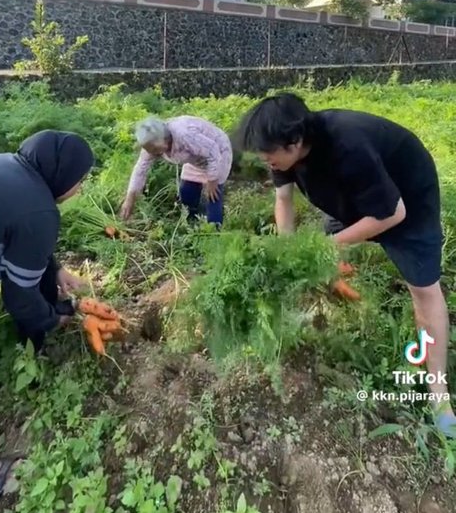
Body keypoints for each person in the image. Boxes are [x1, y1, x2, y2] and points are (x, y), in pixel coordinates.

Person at [233, 92, 456, 438]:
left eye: (268, 154)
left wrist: (326, 245)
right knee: (325, 257)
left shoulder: (348, 144)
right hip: (352, 198)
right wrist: (292, 253)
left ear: (295, 142)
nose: (264, 160)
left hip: (406, 199)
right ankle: (343, 299)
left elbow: (392, 213)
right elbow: (283, 200)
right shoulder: (283, 154)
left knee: (424, 291)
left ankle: (439, 396)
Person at [0, 129, 94, 500]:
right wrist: (50, 319)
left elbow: (20, 233)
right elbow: (18, 294)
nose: (80, 188)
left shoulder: (12, 168)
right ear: (60, 176)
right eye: (80, 180)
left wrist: (54, 268)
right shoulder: (40, 209)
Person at [120, 116, 232, 226]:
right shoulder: (151, 146)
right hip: (195, 159)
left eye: (154, 149)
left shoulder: (185, 135)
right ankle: (192, 223)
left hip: (218, 153)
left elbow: (213, 151)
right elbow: (140, 170)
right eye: (149, 149)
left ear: (165, 139)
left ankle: (214, 230)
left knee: (213, 196)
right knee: (187, 192)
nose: (152, 153)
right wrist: (130, 198)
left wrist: (212, 180)